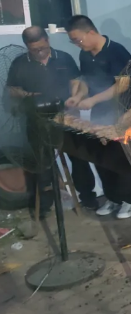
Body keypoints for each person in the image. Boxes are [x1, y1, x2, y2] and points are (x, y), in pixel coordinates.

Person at [5, 27, 97, 214]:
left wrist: (74, 97)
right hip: (36, 119)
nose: (39, 52)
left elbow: (77, 82)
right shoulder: (20, 63)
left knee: (79, 158)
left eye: (42, 48)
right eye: (34, 50)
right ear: (27, 46)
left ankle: (88, 197)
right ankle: (45, 204)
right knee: (42, 162)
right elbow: (11, 90)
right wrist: (27, 95)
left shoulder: (63, 58)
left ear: (47, 40)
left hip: (66, 116)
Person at [65, 15, 131, 219]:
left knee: (121, 158)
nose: (77, 44)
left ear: (91, 32)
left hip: (122, 112)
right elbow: (86, 81)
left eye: (78, 40)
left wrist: (93, 100)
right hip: (99, 113)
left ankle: (130, 201)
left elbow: (122, 85)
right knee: (100, 157)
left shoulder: (116, 51)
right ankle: (113, 198)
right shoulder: (85, 54)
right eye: (73, 42)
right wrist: (78, 97)